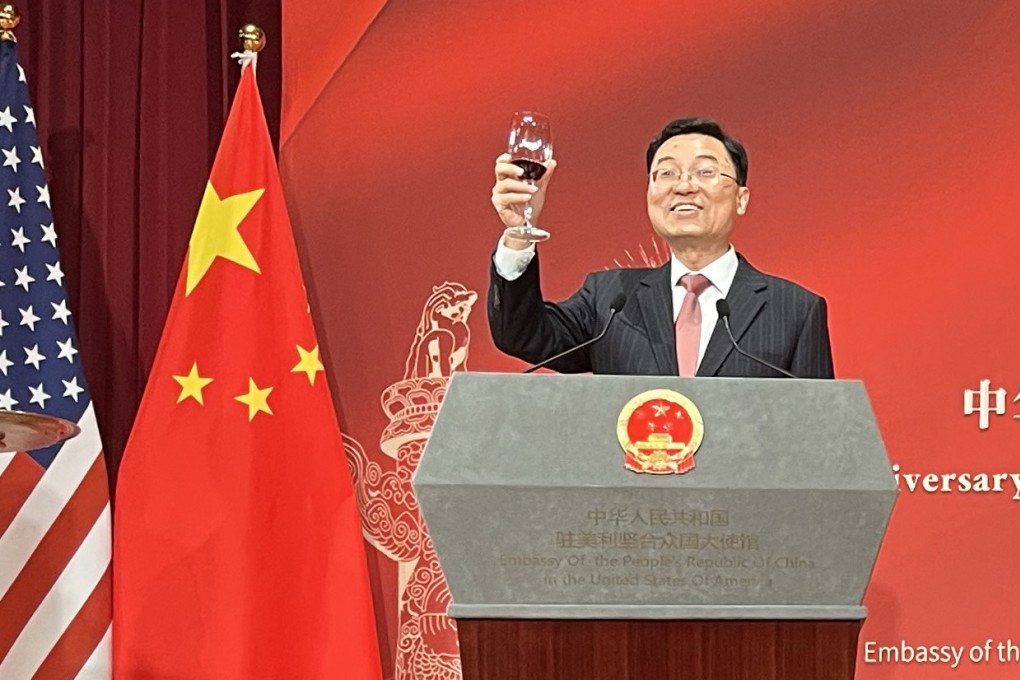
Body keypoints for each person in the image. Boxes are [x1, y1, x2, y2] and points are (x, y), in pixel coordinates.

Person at [487, 116, 834, 378]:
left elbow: (820, 435)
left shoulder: (795, 311)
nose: (683, 186)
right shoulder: (609, 300)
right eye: (666, 174)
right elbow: (523, 336)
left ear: (741, 198)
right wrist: (519, 231)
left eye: (705, 172)